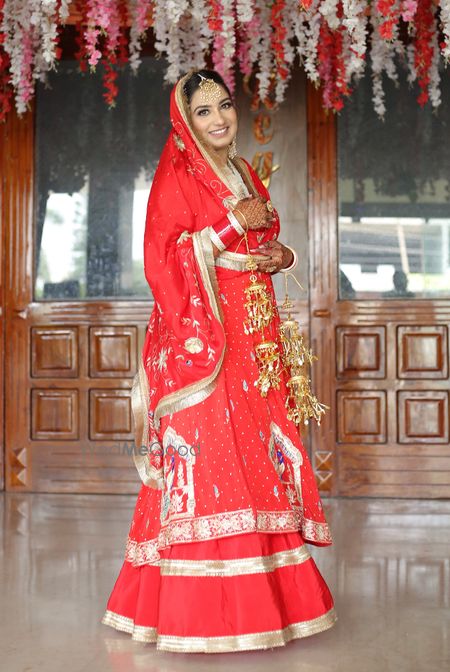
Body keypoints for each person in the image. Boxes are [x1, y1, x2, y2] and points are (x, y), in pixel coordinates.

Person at [102, 69, 336, 653]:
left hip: (254, 336)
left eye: (224, 105)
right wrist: (234, 224)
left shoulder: (243, 170)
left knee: (255, 454)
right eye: (203, 111)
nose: (218, 119)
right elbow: (162, 258)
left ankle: (273, 605)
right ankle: (199, 615)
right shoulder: (177, 175)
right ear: (186, 122)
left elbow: (260, 240)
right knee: (209, 459)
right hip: (205, 339)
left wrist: (282, 255)